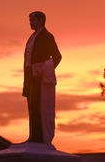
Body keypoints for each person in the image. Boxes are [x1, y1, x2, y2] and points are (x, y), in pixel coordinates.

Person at [22, 11, 62, 144]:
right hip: (29, 76)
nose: (30, 23)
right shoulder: (32, 37)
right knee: (31, 106)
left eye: (32, 20)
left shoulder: (47, 36)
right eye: (30, 20)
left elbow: (57, 57)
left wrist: (44, 70)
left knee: (38, 106)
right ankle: (32, 135)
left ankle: (38, 138)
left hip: (39, 77)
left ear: (40, 20)